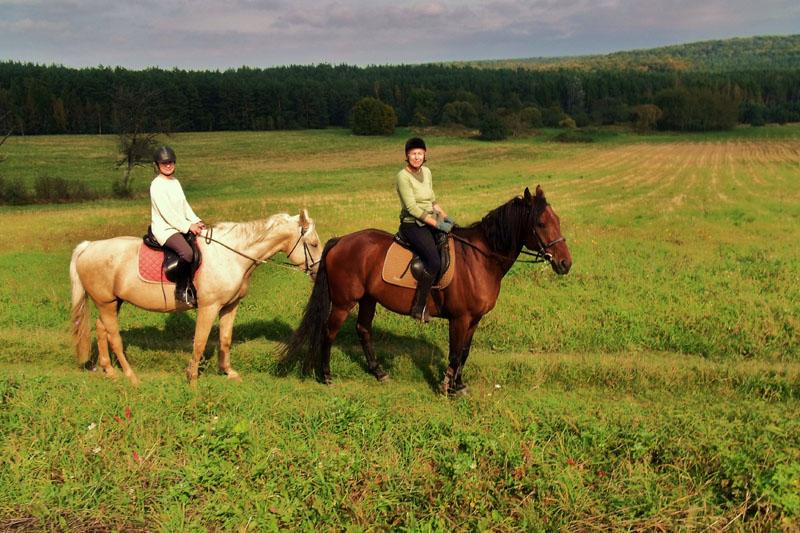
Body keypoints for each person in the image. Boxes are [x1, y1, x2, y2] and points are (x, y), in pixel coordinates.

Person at [396, 137, 454, 322]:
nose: (416, 157)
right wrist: (436, 223)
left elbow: (432, 200)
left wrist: (446, 218)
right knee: (434, 261)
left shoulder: (427, 172)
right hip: (412, 224)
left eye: (420, 153)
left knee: (451, 242)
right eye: (413, 153)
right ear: (407, 155)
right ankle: (419, 307)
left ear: (425, 154)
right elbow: (412, 208)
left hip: (430, 218)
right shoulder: (402, 176)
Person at [149, 145, 205, 307]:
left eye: (171, 162)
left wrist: (197, 220)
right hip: (165, 229)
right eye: (164, 162)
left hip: (180, 226)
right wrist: (188, 226)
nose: (168, 165)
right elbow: (167, 213)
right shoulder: (157, 185)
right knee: (187, 253)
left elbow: (184, 206)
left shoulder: (175, 182)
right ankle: (181, 290)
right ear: (157, 165)